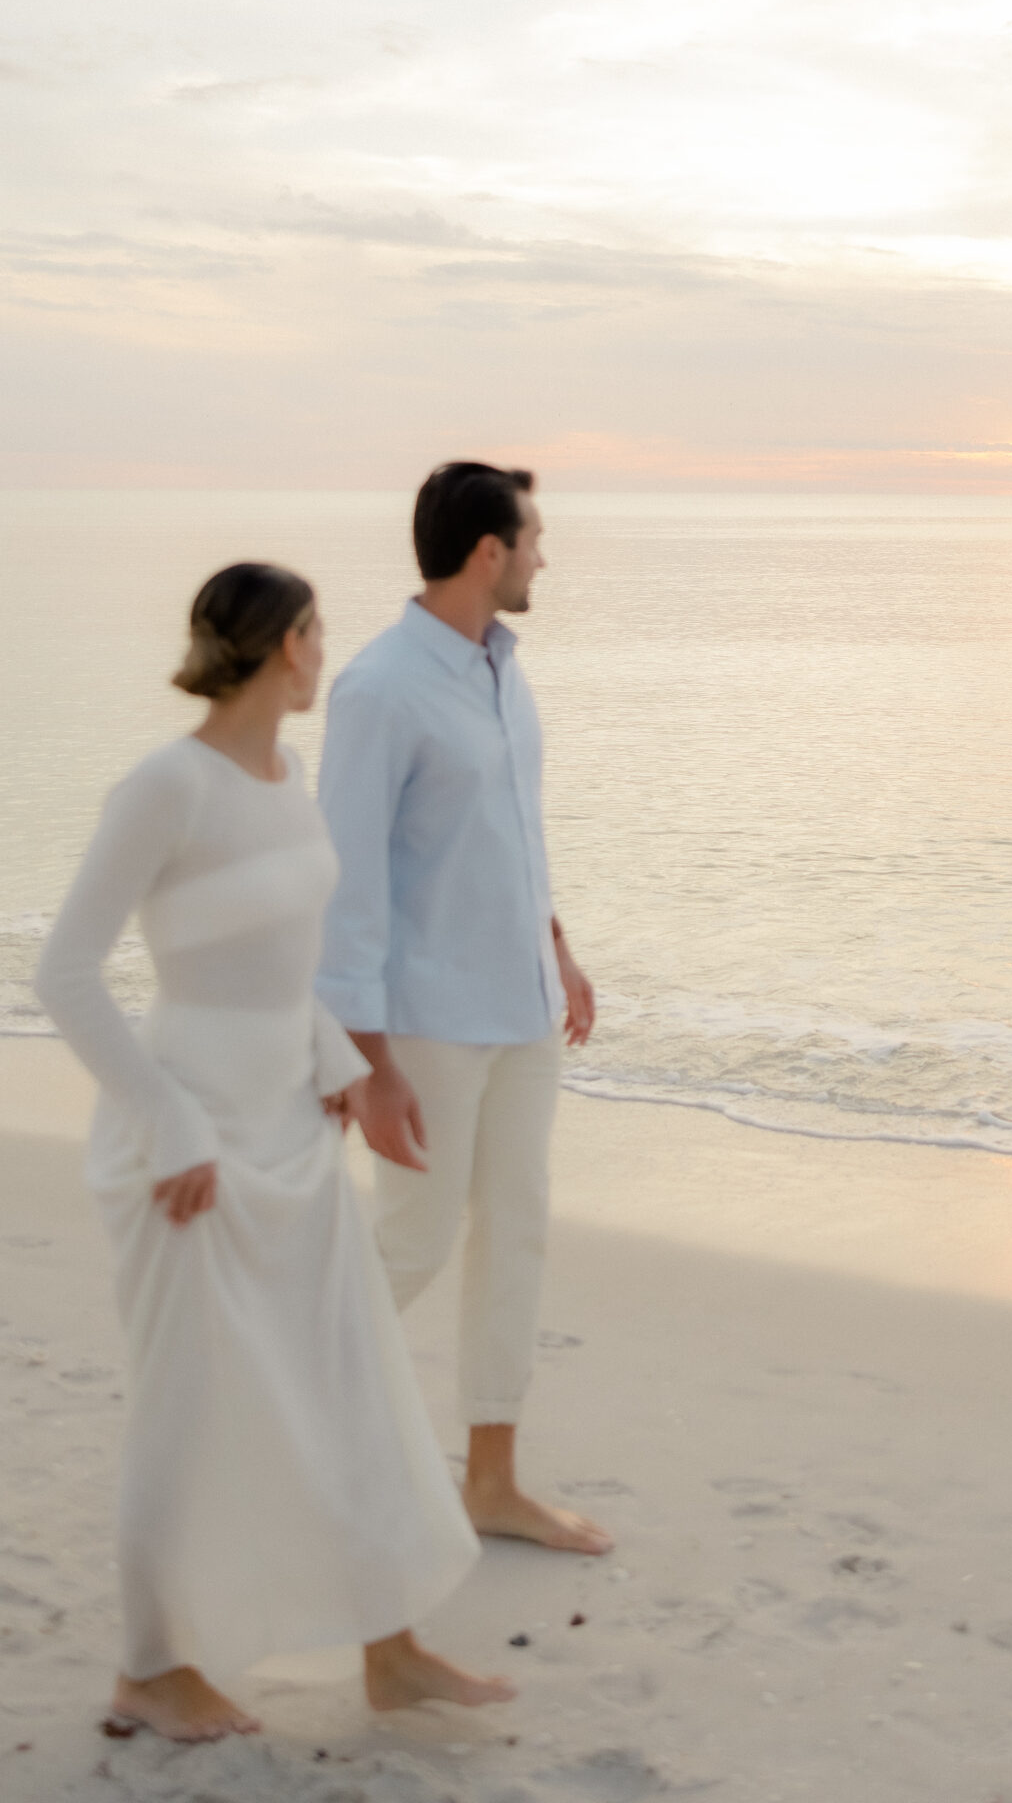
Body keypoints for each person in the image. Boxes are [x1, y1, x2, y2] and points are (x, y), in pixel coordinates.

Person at [35, 563, 514, 1745]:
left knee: (351, 1387)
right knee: (189, 1409)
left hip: (293, 1130)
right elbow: (65, 975)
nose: (324, 654)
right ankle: (150, 1668)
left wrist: (340, 1065)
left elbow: (279, 969)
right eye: (316, 633)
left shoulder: (288, 774)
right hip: (187, 1144)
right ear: (284, 645)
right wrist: (173, 1120)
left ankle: (390, 1650)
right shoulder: (167, 785)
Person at [316, 463, 611, 1557]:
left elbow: (509, 835)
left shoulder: (501, 671)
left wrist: (561, 951)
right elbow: (346, 889)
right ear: (487, 550)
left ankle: (492, 1479)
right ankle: (274, 1417)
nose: (544, 553)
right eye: (534, 535)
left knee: (516, 1231)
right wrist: (367, 1063)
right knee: (417, 1239)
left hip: (523, 1009)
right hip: (429, 1021)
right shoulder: (380, 687)